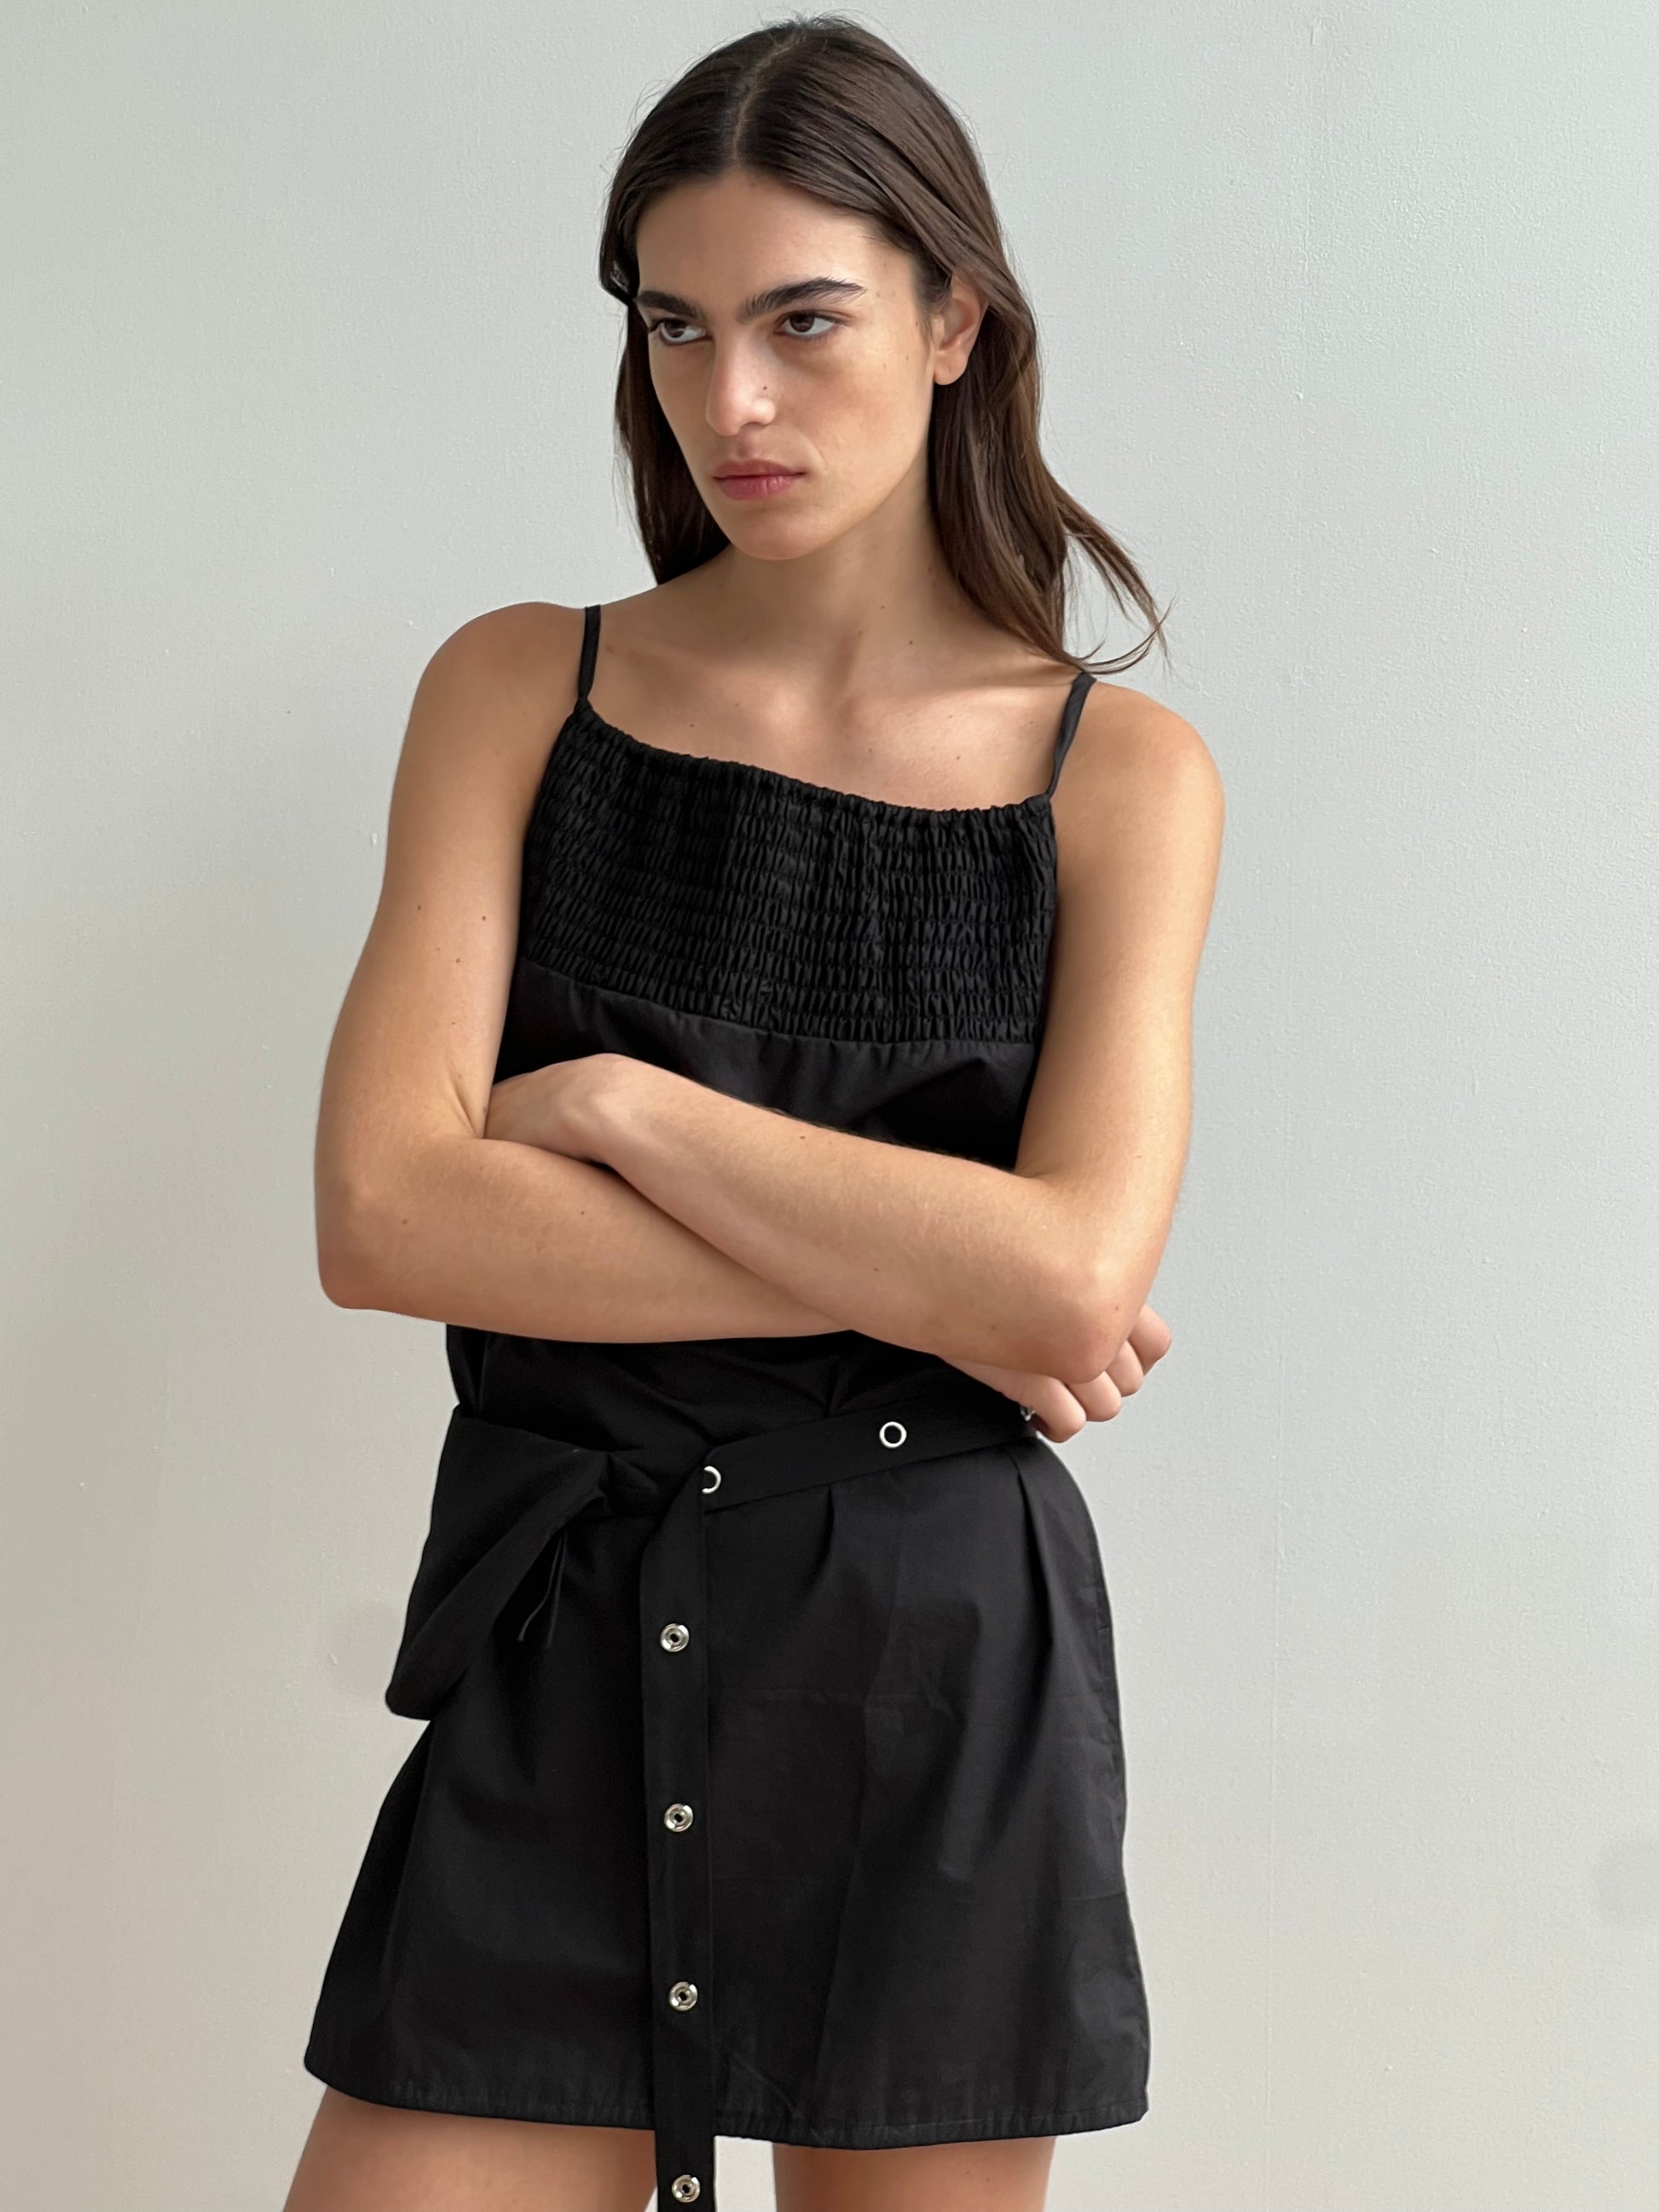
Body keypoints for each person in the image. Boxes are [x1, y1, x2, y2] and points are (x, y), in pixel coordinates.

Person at [283, 17, 1222, 2212]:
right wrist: (948, 1273)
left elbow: (1074, 1277)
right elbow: (384, 1215)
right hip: (568, 1635)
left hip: (934, 1667)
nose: (732, 404)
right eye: (676, 326)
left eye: (803, 321)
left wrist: (618, 1104)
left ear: (953, 318)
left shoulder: (1119, 779)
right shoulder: (520, 688)